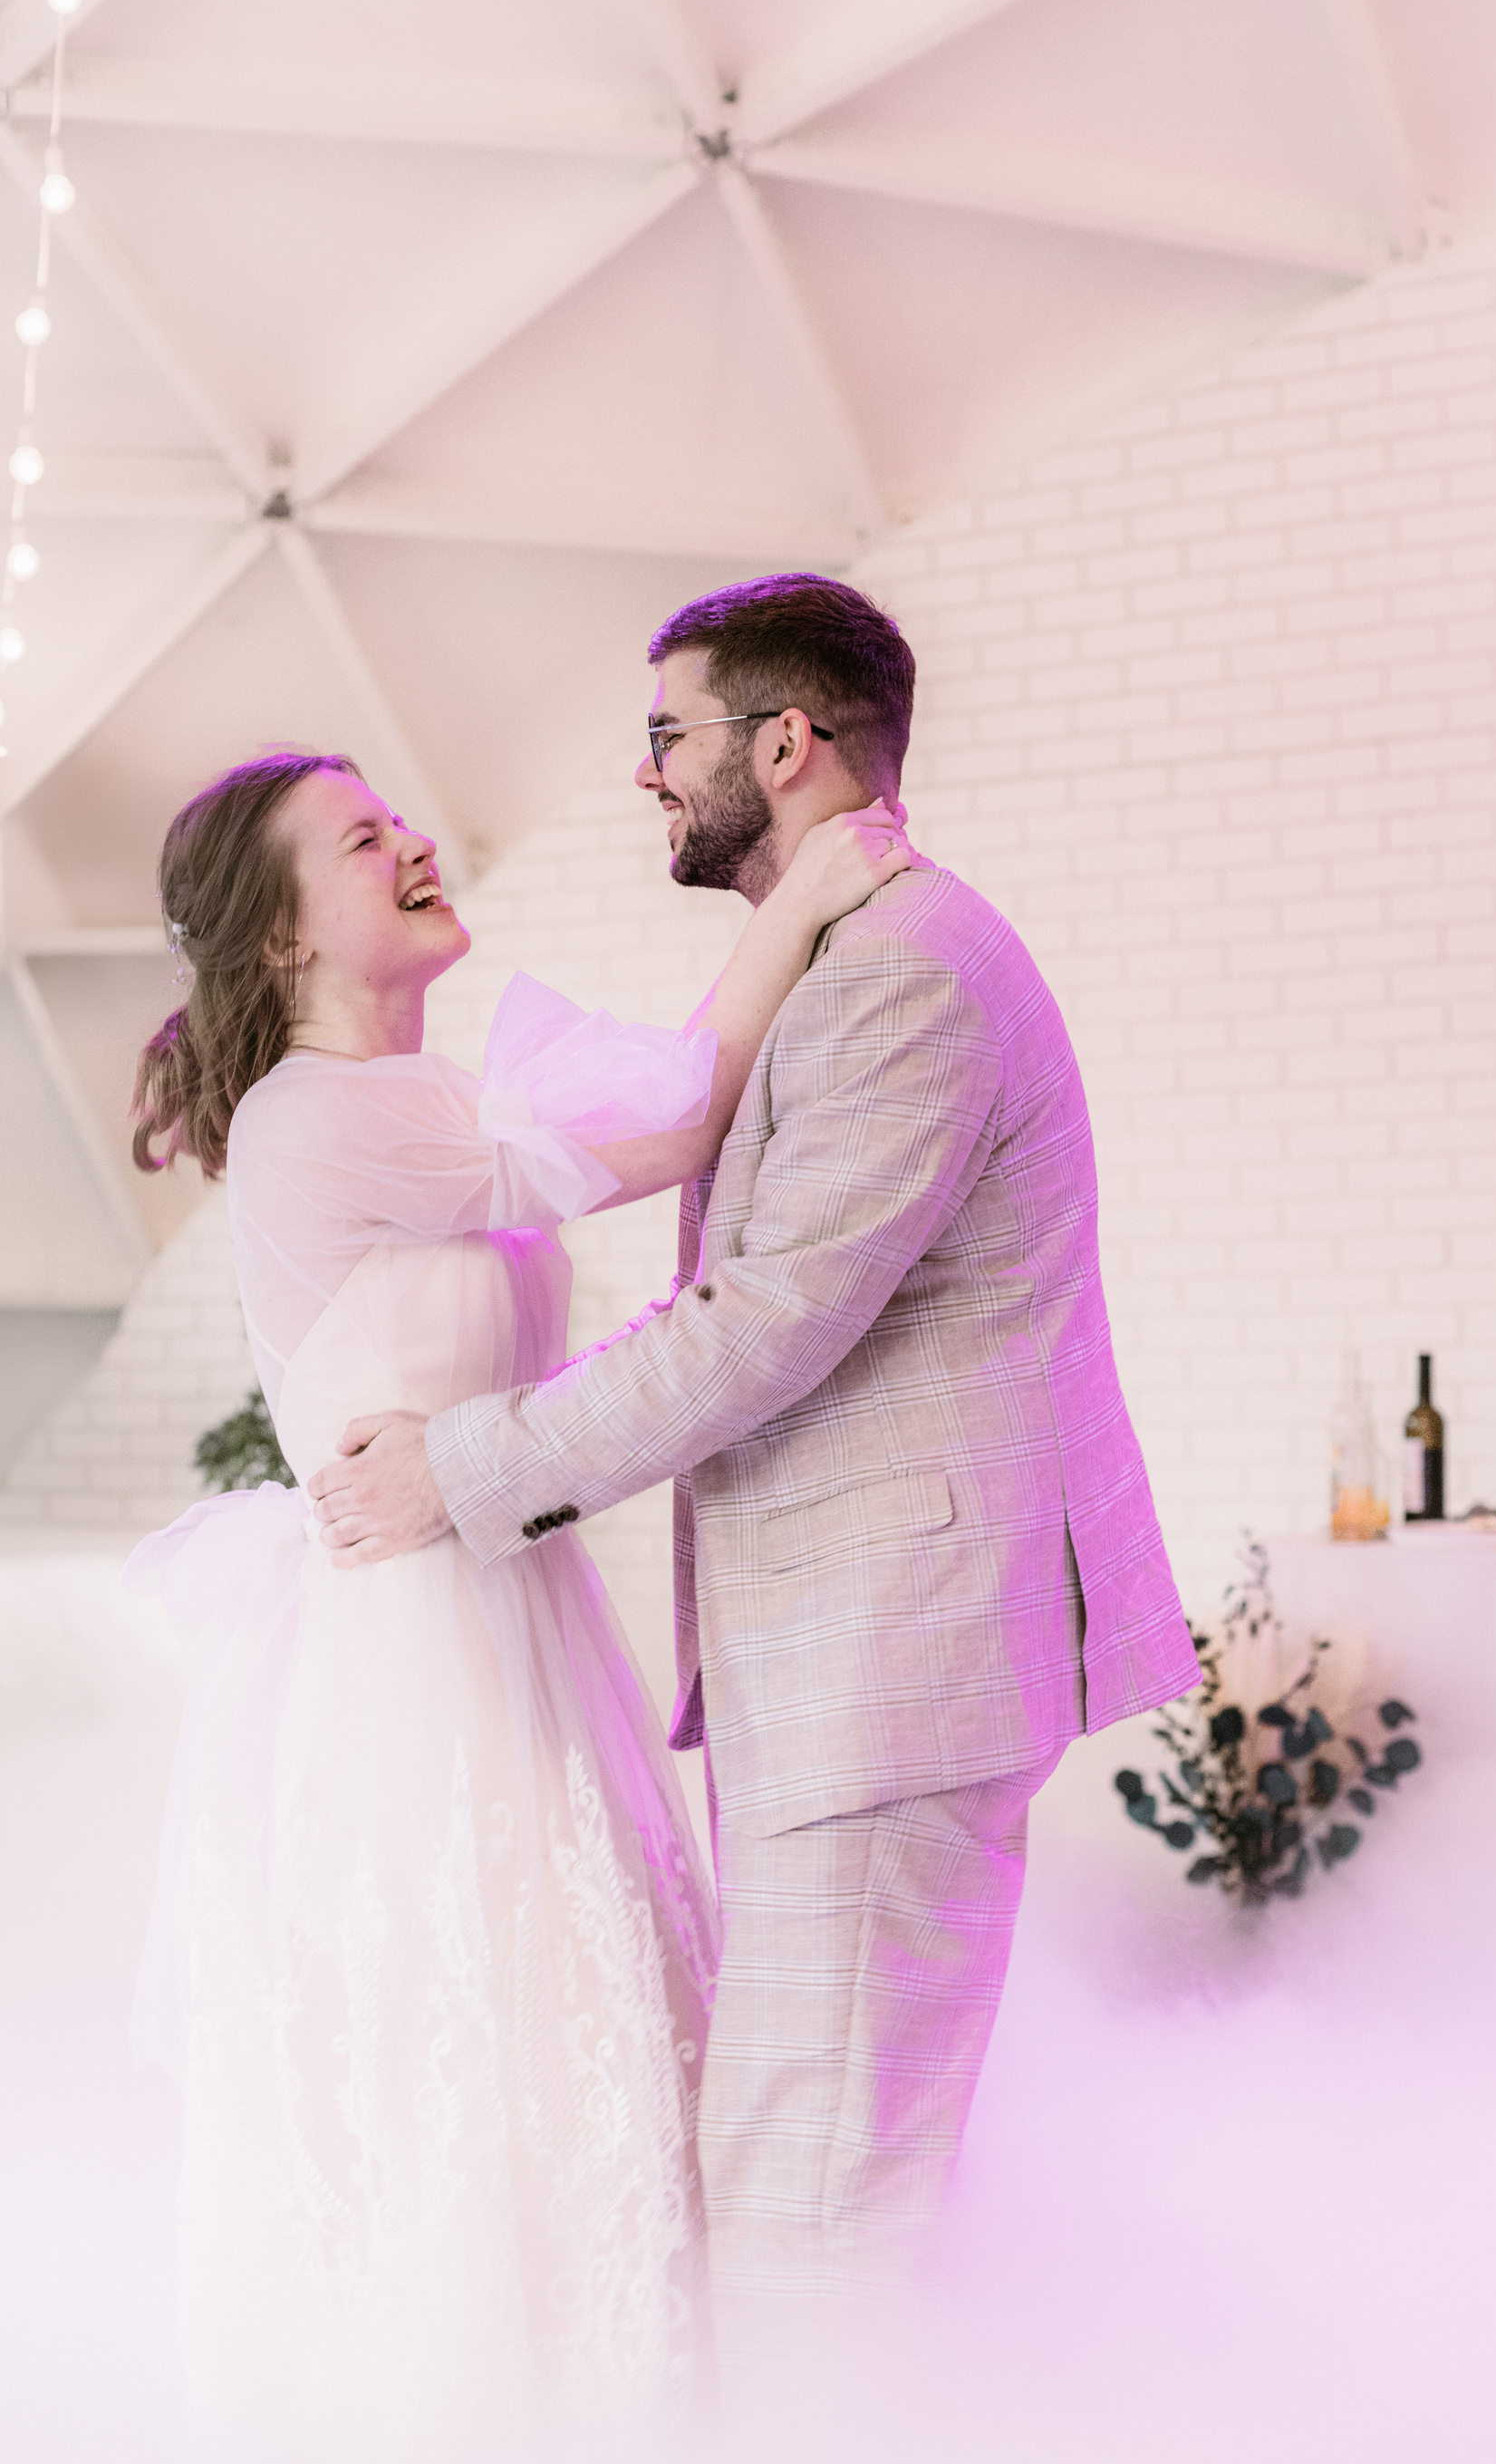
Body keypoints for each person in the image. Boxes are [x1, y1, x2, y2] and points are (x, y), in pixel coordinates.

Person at [309, 574, 1202, 2340]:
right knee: (815, 2172)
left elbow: (760, 1325)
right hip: (857, 1659)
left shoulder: (905, 974)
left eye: (670, 735)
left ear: (783, 743)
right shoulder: (849, 952)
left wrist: (458, 1471)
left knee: (816, 2209)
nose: (646, 773)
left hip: (893, 1657)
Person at [126, 743, 908, 2453]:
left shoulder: (422, 1100)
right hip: (416, 1660)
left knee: (568, 2021)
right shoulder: (320, 1114)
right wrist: (802, 904)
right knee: (477, 2033)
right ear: (284, 935)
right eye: (362, 839)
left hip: (506, 1608)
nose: (412, 842)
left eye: (398, 818)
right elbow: (676, 1124)